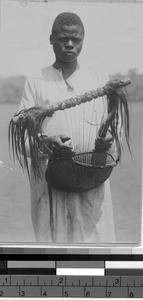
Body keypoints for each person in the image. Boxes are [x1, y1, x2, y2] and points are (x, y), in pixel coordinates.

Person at [16, 12, 116, 243]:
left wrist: (108, 139)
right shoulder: (36, 81)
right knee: (55, 247)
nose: (70, 44)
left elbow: (114, 129)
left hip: (93, 181)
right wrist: (45, 143)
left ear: (83, 40)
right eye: (62, 38)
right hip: (51, 187)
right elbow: (21, 137)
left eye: (76, 39)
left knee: (95, 247)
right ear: (51, 39)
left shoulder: (98, 77)